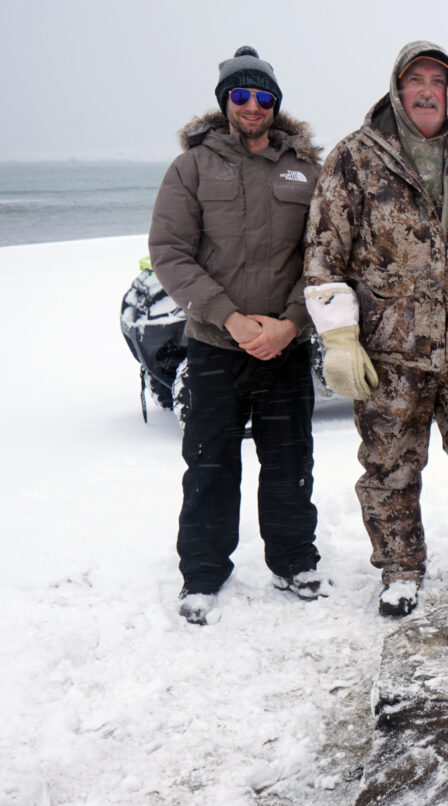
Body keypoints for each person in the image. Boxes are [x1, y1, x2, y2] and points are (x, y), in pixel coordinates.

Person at [304, 41, 448, 617]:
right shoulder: (354, 160)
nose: (428, 89)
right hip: (391, 356)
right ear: (397, 88)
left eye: (438, 79)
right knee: (389, 470)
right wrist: (338, 336)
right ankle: (400, 573)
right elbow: (323, 252)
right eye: (417, 80)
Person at [149, 46, 324, 626]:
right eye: (241, 95)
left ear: (276, 103)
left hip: (286, 346)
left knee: (290, 459)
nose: (253, 105)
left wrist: (292, 321)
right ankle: (202, 574)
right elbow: (170, 253)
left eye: (263, 96)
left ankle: (295, 561)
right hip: (216, 345)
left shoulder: (307, 169)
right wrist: (229, 317)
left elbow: (324, 257)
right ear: (226, 101)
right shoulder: (191, 168)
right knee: (209, 463)